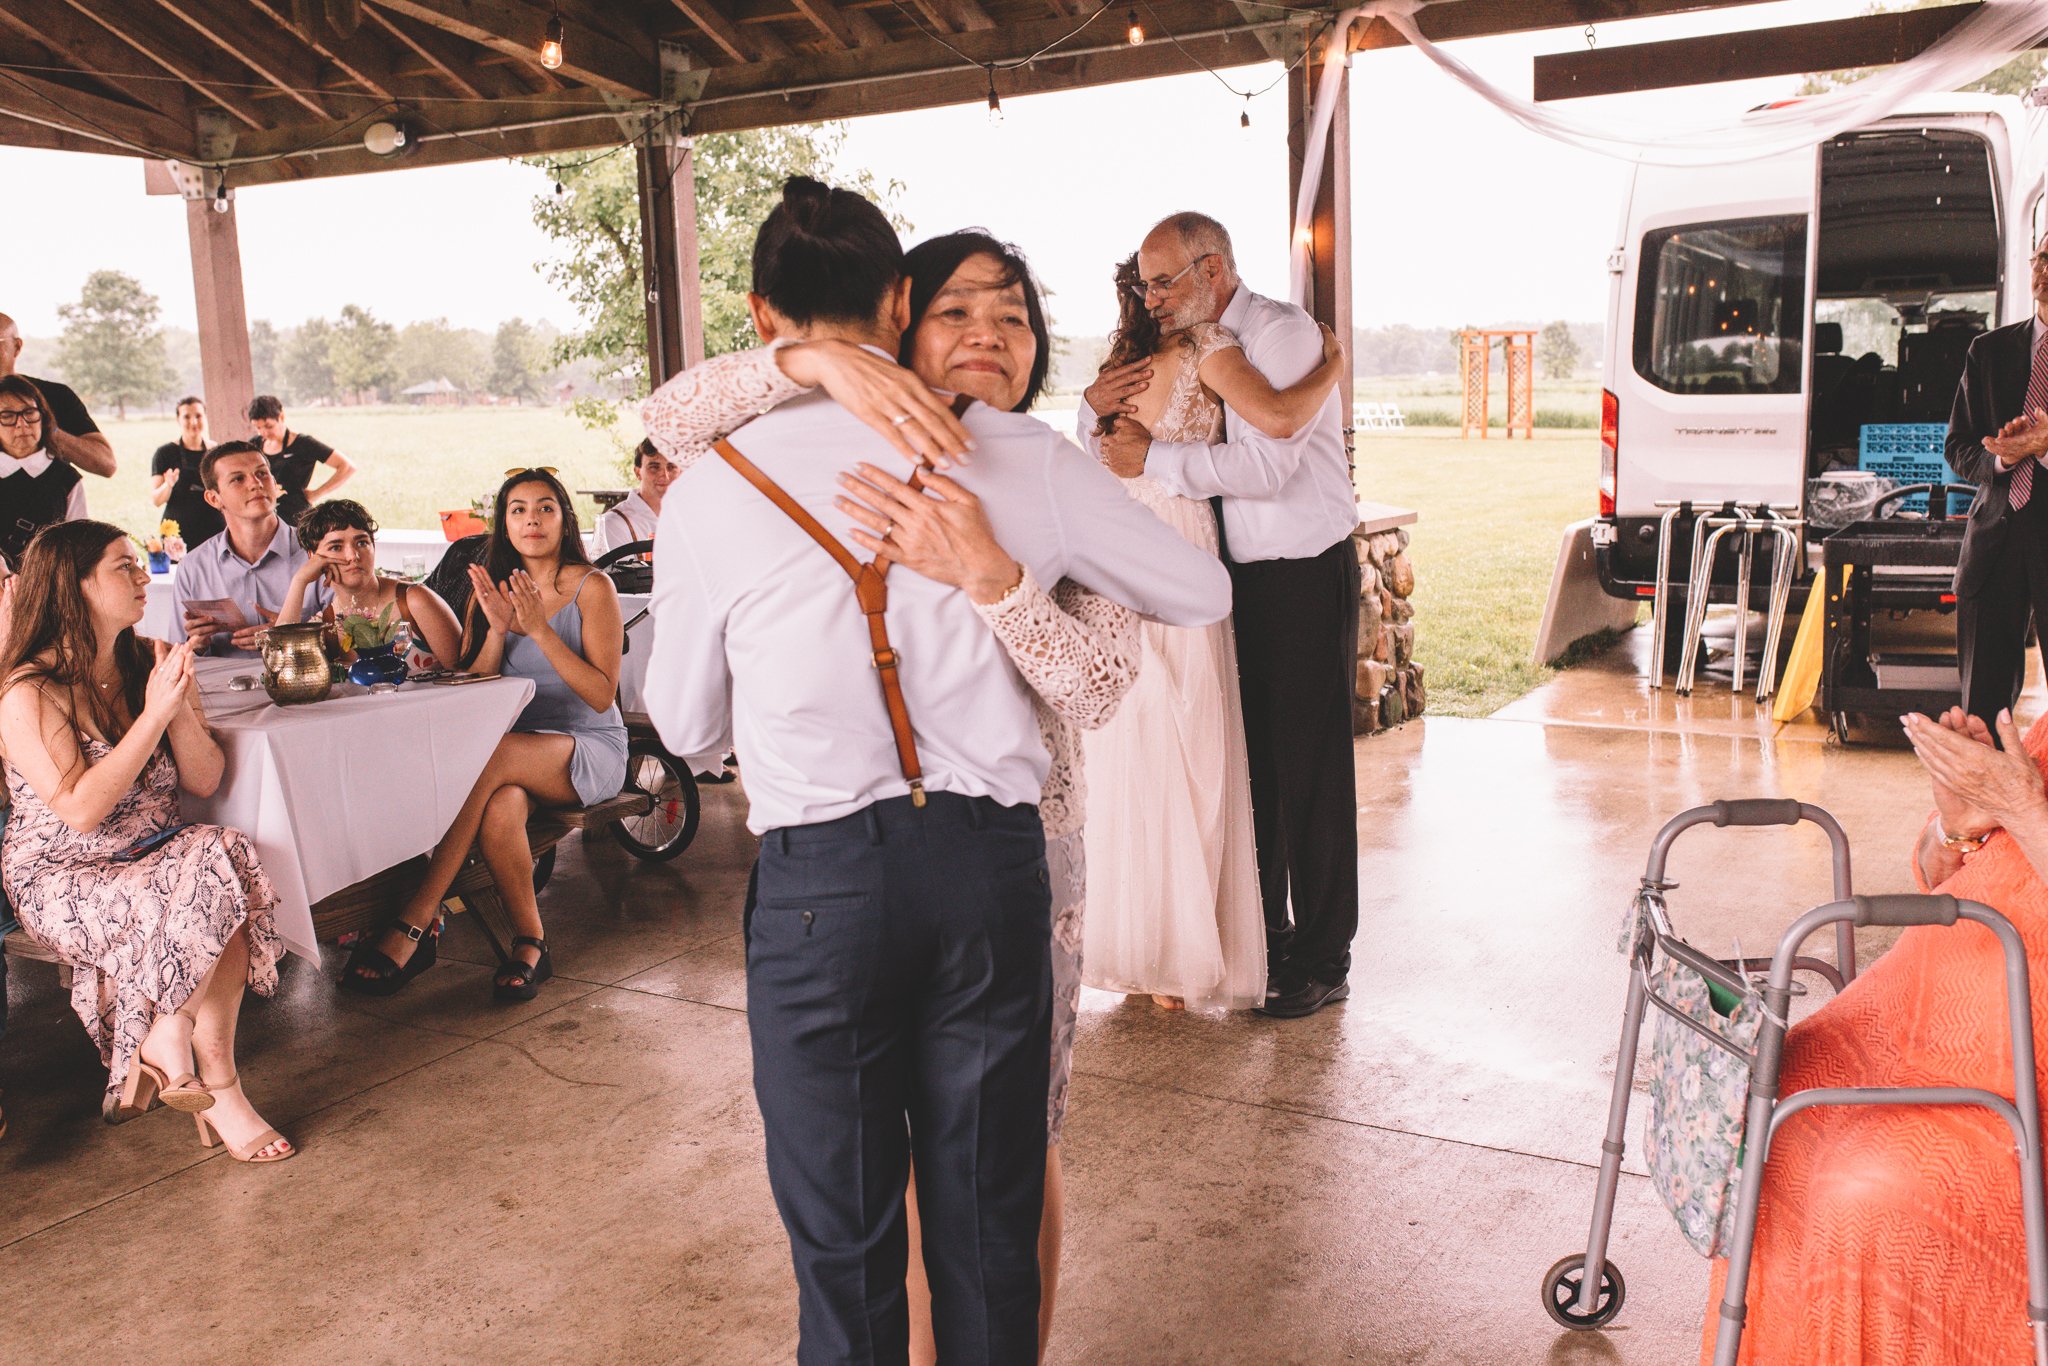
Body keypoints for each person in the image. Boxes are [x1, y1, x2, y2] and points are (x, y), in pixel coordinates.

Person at [643, 176, 1230, 1365]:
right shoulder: (1029, 460)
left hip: (821, 885)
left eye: (1010, 317)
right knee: (985, 1212)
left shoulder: (709, 484)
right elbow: (1205, 593)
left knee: (843, 1233)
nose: (985, 338)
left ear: (760, 318)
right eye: (958, 312)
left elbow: (688, 727)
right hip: (986, 868)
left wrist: (984, 575)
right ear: (901, 304)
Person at [1696, 704, 2048, 1362]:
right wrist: (1956, 826)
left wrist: (2025, 809)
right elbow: (1941, 873)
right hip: (1898, 1019)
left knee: (1867, 1189)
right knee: (1764, 1117)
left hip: (2013, 1069)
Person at [1080, 211, 1361, 1020]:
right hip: (1225, 572)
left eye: (1164, 280)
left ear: (1212, 269)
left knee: (1308, 768)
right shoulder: (1177, 345)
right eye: (1144, 283)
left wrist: (1156, 460)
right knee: (1251, 764)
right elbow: (1100, 434)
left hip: (1301, 568)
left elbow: (1271, 462)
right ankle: (1262, 937)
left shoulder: (1277, 334)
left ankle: (1323, 955)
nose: (1152, 296)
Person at [0, 520, 291, 1160]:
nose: (142, 577)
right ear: (70, 589)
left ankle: (170, 1036)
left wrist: (178, 705)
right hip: (64, 872)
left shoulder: (147, 660)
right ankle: (222, 1089)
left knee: (225, 852)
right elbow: (80, 812)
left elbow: (205, 777)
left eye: (139, 564)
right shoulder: (27, 691)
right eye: (121, 566)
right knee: (215, 896)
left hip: (153, 852)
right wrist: (154, 715)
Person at [340, 469, 625, 1003]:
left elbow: (602, 695)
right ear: (504, 524)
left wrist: (539, 627)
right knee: (501, 806)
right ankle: (530, 944)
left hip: (585, 745)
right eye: (518, 510)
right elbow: (479, 686)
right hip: (509, 755)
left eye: (545, 508)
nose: (532, 520)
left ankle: (417, 916)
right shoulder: (492, 592)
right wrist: (497, 628)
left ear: (564, 520)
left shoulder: (593, 587)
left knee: (490, 758)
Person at [1948, 241, 2048, 727]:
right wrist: (2004, 458)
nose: (2046, 271)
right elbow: (1958, 447)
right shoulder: (1987, 351)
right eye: (2043, 259)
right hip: (1994, 543)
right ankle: (1982, 803)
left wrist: (2043, 447)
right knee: (1983, 714)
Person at [167, 442, 329, 656]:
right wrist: (197, 645)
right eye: (238, 479)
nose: (255, 484)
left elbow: (350, 637)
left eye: (262, 473)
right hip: (221, 688)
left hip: (305, 684)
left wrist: (292, 635)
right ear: (214, 498)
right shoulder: (192, 567)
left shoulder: (318, 552)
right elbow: (177, 654)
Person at [275, 499, 461, 673]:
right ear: (313, 557)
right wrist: (299, 582)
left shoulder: (414, 601)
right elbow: (281, 665)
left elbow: (464, 673)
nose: (353, 556)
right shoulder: (327, 625)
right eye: (336, 547)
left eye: (362, 543)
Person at [0, 312, 116, 478]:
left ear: (16, 347)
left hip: (46, 501)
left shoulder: (55, 396)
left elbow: (106, 465)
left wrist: (47, 428)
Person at [0, 375, 88, 569]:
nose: (21, 424)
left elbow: (78, 545)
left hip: (47, 588)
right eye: (7, 416)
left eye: (29, 413)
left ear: (43, 417)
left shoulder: (67, 479)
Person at [247, 394, 355, 526]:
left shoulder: (303, 444)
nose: (263, 432)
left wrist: (316, 494)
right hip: (264, 518)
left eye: (268, 426)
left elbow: (347, 467)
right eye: (258, 428)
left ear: (281, 417)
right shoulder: (254, 445)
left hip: (296, 519)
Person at [149, 395, 224, 549]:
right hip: (177, 534)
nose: (193, 422)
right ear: (178, 419)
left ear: (205, 417)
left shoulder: (216, 451)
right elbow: (156, 500)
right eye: (187, 417)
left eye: (198, 416)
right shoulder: (164, 453)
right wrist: (168, 485)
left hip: (214, 528)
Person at [597, 439, 676, 555]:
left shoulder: (689, 517)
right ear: (638, 472)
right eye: (654, 467)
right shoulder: (615, 524)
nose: (664, 475)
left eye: (671, 467)